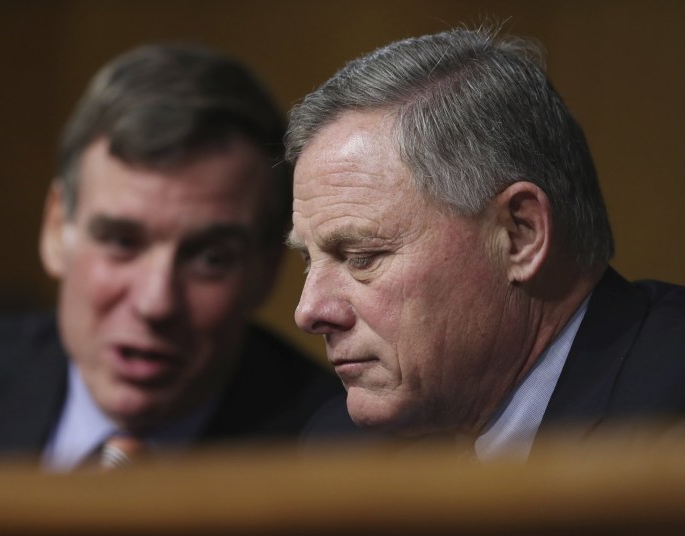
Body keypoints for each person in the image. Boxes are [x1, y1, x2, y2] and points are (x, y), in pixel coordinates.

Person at [0, 44, 342, 470]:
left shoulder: (336, 457)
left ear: (267, 268)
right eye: (122, 243)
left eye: (211, 259)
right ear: (55, 230)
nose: (155, 303)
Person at [285, 27, 685, 462]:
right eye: (310, 259)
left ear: (520, 235)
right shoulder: (340, 450)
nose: (309, 311)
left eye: (361, 257)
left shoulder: (669, 414)